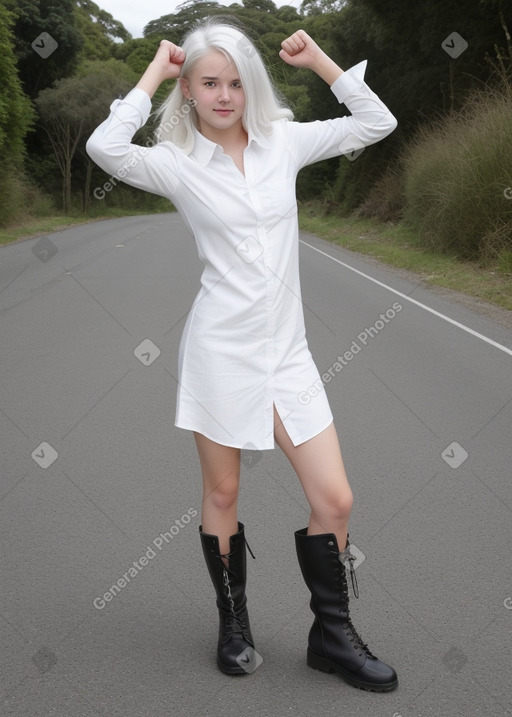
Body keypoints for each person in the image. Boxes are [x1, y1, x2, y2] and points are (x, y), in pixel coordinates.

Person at [86, 17, 398, 692]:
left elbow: (376, 122)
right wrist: (152, 73)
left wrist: (320, 61)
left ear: (248, 85)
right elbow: (104, 145)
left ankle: (332, 635)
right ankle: (234, 622)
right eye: (208, 82)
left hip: (288, 355)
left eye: (234, 81)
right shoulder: (173, 163)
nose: (224, 95)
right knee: (223, 490)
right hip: (220, 352)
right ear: (190, 91)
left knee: (335, 498)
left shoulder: (282, 143)